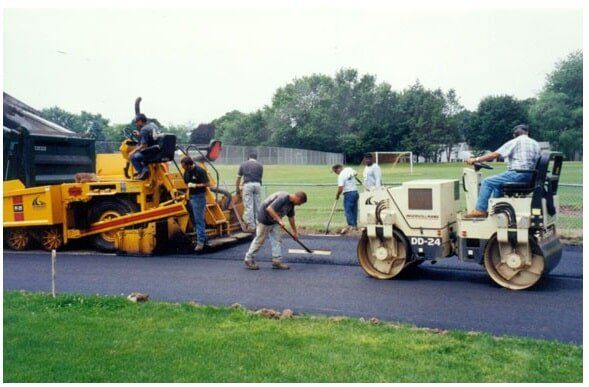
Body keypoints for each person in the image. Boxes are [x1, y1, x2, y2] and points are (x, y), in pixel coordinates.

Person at [465, 124, 541, 218]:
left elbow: (494, 155)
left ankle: (480, 210)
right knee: (498, 186)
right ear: (527, 132)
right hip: (531, 177)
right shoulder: (536, 144)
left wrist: (476, 160)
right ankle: (495, 211)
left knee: (487, 182)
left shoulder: (515, 141)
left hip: (518, 174)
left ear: (514, 134)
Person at [243, 191, 307, 270]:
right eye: (300, 202)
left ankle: (277, 261)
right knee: (260, 240)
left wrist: (295, 232)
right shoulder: (283, 197)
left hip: (275, 221)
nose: (299, 205)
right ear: (297, 198)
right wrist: (279, 220)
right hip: (264, 219)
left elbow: (291, 218)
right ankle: (248, 259)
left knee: (277, 240)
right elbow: (270, 208)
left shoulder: (291, 204)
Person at [181, 156, 210, 252]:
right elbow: (186, 182)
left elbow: (207, 184)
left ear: (189, 165)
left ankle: (200, 243)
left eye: (184, 167)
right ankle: (203, 237)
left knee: (198, 219)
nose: (184, 169)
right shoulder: (187, 171)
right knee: (193, 218)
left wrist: (196, 185)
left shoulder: (200, 171)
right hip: (191, 197)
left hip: (199, 197)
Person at [236, 152, 263, 231]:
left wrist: (237, 188)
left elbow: (238, 178)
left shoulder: (243, 164)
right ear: (256, 158)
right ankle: (259, 225)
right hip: (258, 185)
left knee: (249, 206)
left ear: (248, 157)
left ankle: (251, 226)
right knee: (257, 206)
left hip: (248, 185)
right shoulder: (260, 165)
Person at [128, 114, 158, 180]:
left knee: (133, 157)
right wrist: (140, 134)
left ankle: (141, 173)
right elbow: (151, 137)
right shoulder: (153, 126)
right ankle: (145, 169)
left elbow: (144, 145)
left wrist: (133, 151)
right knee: (140, 153)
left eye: (136, 122)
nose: (136, 124)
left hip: (150, 153)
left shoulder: (144, 130)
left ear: (140, 121)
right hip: (157, 150)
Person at [332, 164, 359, 234]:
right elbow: (356, 172)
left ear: (339, 168)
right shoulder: (349, 169)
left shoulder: (341, 176)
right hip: (355, 193)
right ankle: (355, 225)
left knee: (348, 210)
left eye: (335, 171)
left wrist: (337, 195)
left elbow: (340, 188)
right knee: (354, 210)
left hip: (348, 193)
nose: (335, 173)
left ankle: (351, 225)